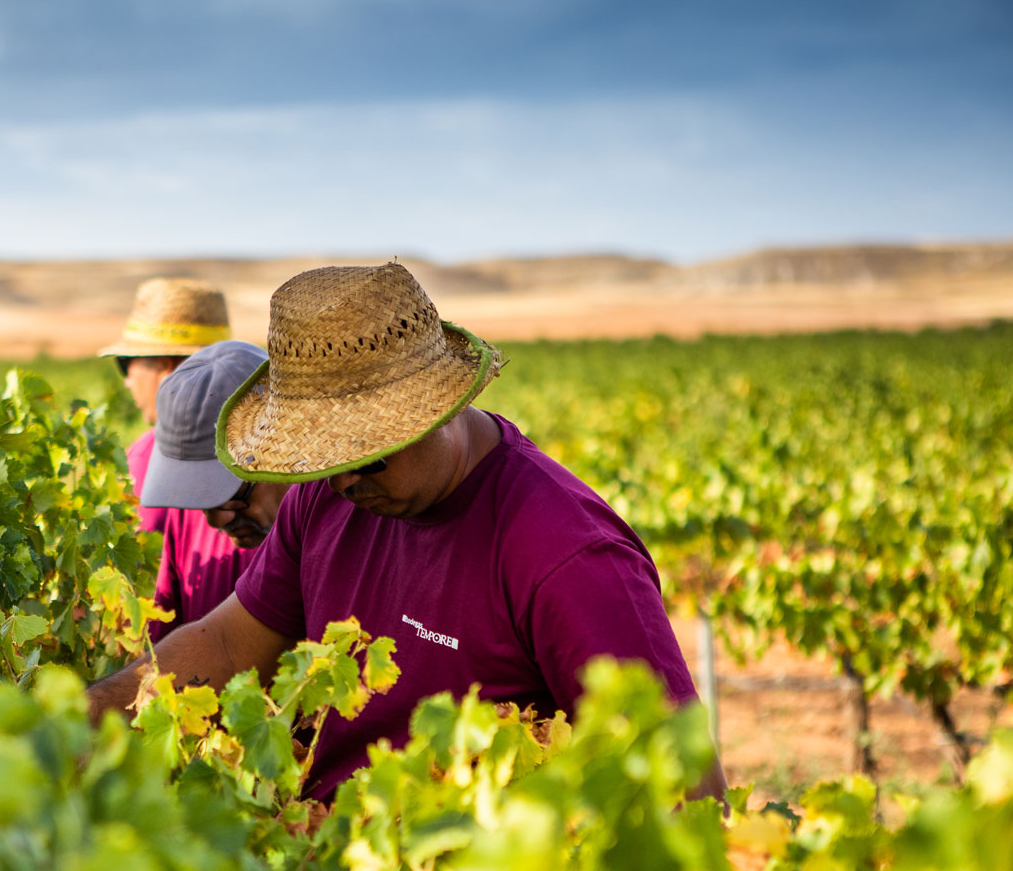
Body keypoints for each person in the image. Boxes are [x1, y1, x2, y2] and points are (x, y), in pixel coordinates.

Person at [88, 263, 726, 803]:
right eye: (318, 457)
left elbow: (683, 789)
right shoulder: (323, 494)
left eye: (363, 454)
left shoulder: (567, 553)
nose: (339, 483)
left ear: (436, 411)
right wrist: (80, 718)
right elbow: (227, 646)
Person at [137, 340, 291, 640]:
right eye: (199, 498)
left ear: (284, 450)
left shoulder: (339, 533)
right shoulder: (185, 520)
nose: (215, 521)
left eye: (232, 496)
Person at [99, 277, 233, 534]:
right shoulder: (267, 449)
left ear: (165, 365)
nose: (127, 381)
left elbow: (138, 558)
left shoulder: (146, 454)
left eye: (125, 363)